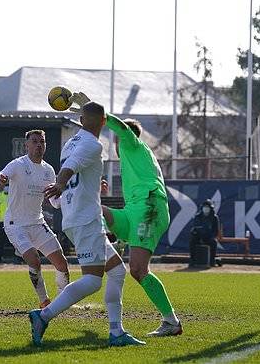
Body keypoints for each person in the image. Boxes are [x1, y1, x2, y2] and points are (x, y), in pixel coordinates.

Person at [31, 102, 145, 347]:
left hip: (77, 216)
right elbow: (70, 169)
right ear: (104, 122)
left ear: (81, 121)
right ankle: (43, 315)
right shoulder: (94, 144)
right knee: (93, 280)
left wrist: (65, 192)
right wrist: (60, 184)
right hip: (86, 220)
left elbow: (76, 170)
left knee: (116, 271)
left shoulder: (69, 143)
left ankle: (116, 332)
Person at [70, 92, 183, 337]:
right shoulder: (133, 157)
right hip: (134, 211)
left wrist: (99, 113)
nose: (116, 144)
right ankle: (103, 246)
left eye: (118, 139)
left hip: (149, 207)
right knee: (95, 210)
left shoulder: (133, 144)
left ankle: (171, 321)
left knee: (138, 270)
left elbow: (121, 128)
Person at [0, 129, 70, 308]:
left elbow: (55, 203)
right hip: (15, 224)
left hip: (37, 223)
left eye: (41, 141)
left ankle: (62, 302)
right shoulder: (17, 164)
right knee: (34, 260)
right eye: (34, 141)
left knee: (62, 264)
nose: (38, 145)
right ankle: (44, 300)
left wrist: (66, 197)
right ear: (26, 145)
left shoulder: (49, 170)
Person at [189, 199, 220, 267]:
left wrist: (211, 236)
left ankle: (212, 260)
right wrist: (197, 233)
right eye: (205, 207)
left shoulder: (214, 218)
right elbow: (194, 228)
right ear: (202, 208)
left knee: (214, 242)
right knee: (192, 241)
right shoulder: (198, 216)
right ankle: (192, 260)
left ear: (211, 208)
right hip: (199, 237)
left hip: (209, 237)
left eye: (208, 207)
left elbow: (216, 231)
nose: (206, 209)